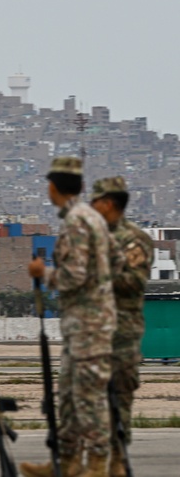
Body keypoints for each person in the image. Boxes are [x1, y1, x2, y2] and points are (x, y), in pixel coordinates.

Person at [21, 157, 116, 477]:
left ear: (52, 186)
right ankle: (69, 461)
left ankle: (97, 465)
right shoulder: (91, 218)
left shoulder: (77, 221)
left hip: (89, 326)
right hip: (88, 323)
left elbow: (74, 276)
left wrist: (43, 273)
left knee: (88, 398)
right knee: (71, 397)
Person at [89, 176, 152, 477]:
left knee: (120, 401)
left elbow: (134, 282)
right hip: (92, 334)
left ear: (110, 203)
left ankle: (117, 461)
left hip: (122, 335)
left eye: (96, 201)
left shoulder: (134, 240)